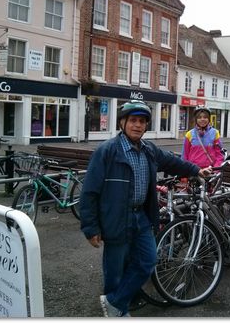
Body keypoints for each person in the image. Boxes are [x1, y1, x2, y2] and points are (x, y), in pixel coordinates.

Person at [79, 100, 212, 317]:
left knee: (148, 261)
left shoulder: (149, 149)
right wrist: (90, 227)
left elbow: (172, 161)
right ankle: (118, 309)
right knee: (115, 268)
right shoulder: (107, 151)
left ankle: (115, 302)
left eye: (142, 121)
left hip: (142, 216)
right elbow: (89, 192)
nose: (138, 125)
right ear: (123, 123)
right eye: (133, 120)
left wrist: (196, 169)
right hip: (116, 218)